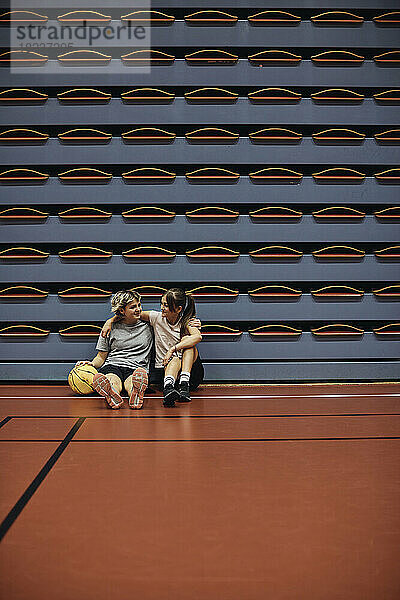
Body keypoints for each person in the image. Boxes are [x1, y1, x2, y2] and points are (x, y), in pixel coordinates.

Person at [101, 288, 203, 407]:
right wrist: (110, 321)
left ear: (178, 309)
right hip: (166, 372)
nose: (161, 307)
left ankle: (184, 385)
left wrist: (173, 349)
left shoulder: (187, 322)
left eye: (165, 305)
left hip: (191, 374)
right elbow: (129, 314)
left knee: (188, 342)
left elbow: (198, 337)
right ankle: (168, 390)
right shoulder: (156, 318)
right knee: (175, 359)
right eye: (161, 303)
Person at [76, 290, 153, 410]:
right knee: (112, 379)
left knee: (132, 382)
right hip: (113, 364)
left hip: (137, 366)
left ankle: (136, 393)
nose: (138, 309)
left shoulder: (149, 326)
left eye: (139, 305)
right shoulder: (109, 328)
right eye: (133, 307)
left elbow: (166, 320)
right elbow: (101, 357)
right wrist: (91, 364)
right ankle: (112, 394)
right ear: (122, 310)